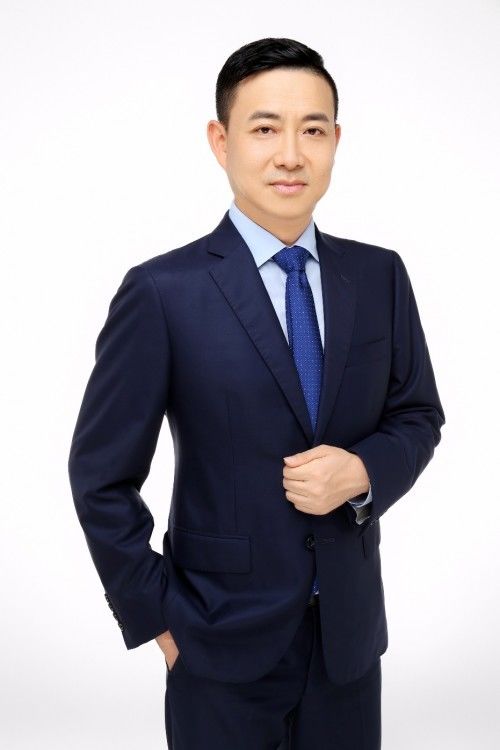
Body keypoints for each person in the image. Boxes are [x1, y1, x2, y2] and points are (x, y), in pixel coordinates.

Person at [68, 37, 445, 749]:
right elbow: (100, 477)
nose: (290, 155)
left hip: (348, 642)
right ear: (222, 141)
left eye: (313, 130)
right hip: (216, 641)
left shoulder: (379, 276)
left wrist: (364, 471)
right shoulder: (162, 292)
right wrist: (157, 619)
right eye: (265, 128)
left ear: (336, 142)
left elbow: (418, 414)